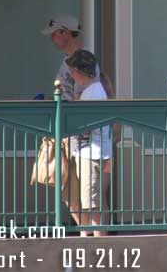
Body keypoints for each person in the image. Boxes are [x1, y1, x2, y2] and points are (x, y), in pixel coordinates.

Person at [64, 50, 111, 236]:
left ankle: (98, 246)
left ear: (79, 71)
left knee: (92, 203)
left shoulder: (91, 93)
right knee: (94, 201)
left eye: (73, 71)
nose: (72, 75)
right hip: (98, 153)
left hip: (92, 154)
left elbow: (85, 127)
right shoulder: (97, 90)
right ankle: (90, 238)